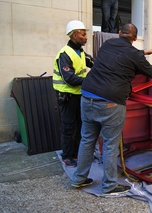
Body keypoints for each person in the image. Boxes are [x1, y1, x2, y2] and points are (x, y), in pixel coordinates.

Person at [71, 23, 152, 196]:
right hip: (110, 102)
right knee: (110, 145)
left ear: (119, 33)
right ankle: (109, 186)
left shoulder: (107, 45)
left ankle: (78, 178)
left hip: (87, 95)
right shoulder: (134, 55)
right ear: (135, 38)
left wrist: (146, 52)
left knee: (86, 140)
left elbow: (124, 54)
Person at [53, 20, 94, 167]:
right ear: (74, 35)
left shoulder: (81, 52)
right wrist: (91, 81)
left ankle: (77, 153)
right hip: (67, 97)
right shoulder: (65, 54)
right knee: (68, 127)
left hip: (78, 95)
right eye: (83, 34)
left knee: (80, 125)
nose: (86, 37)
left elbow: (95, 63)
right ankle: (67, 156)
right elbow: (69, 78)